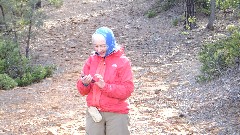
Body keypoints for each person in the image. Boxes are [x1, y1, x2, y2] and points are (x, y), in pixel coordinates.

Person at [76, 27, 134, 135]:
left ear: (110, 43)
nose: (99, 50)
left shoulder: (123, 61)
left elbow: (127, 90)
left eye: (103, 46)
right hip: (94, 113)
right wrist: (84, 83)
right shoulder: (91, 60)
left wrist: (105, 87)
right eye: (96, 46)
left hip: (117, 113)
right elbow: (82, 91)